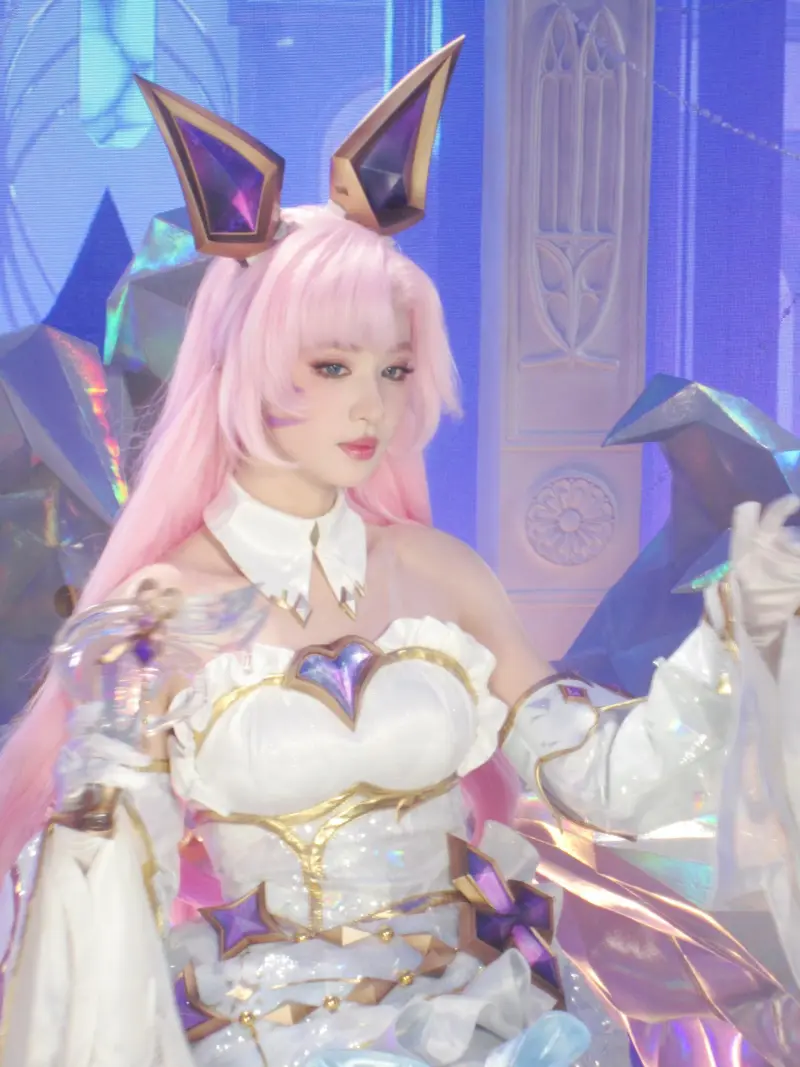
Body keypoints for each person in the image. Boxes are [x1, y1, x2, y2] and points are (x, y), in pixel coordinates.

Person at [1, 38, 800, 1067]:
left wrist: (736, 634)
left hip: (480, 1018)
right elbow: (116, 900)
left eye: (392, 367)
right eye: (331, 365)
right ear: (245, 365)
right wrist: (101, 781)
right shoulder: (166, 605)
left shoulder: (439, 572)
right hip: (257, 1035)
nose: (370, 405)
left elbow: (602, 780)